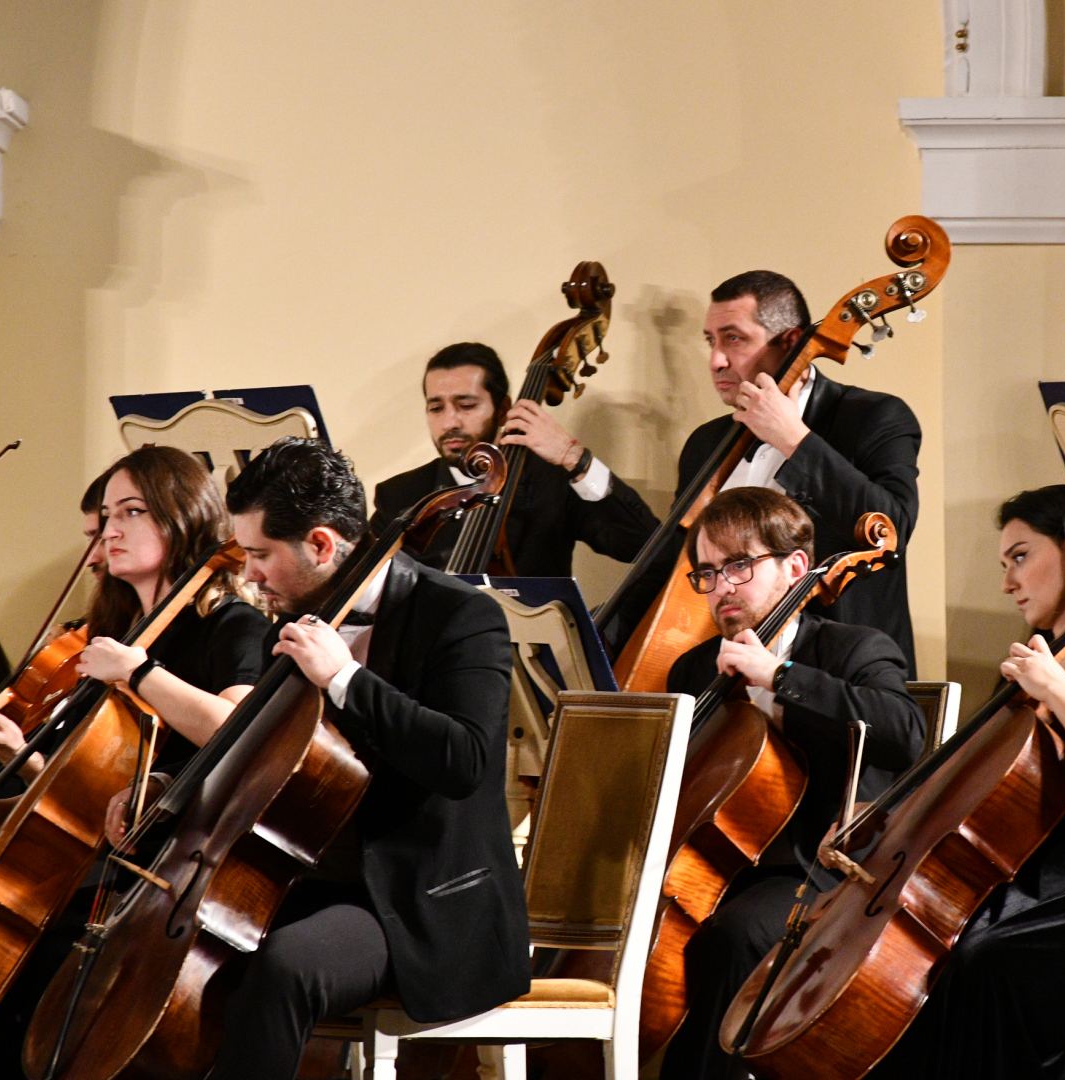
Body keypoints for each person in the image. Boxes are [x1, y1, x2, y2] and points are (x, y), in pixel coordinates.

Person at [199, 436, 527, 1080]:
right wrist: (159, 793)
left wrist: (346, 678)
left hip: (420, 901)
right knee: (188, 951)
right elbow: (256, 755)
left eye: (262, 555)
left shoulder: (461, 616)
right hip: (315, 878)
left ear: (322, 544)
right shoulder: (293, 625)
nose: (252, 575)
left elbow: (464, 760)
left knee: (288, 964)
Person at [869, 485, 1065, 1079]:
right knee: (923, 955)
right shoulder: (1037, 668)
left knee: (985, 957)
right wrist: (875, 828)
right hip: (1038, 880)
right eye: (1003, 564)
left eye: (1020, 556)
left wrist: (1059, 691)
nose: (1007, 581)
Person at [0, 445, 268, 1075]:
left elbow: (237, 727)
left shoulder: (229, 623)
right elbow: (88, 787)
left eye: (132, 511)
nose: (110, 529)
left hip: (162, 878)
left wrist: (142, 673)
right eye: (108, 514)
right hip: (93, 856)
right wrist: (19, 762)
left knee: (37, 977)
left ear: (182, 516)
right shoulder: (116, 629)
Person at [660, 486, 923, 1079]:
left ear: (796, 567)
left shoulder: (852, 648)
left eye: (738, 566)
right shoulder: (695, 668)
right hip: (709, 869)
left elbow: (906, 732)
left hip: (816, 873)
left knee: (731, 938)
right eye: (707, 573)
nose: (721, 587)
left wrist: (780, 676)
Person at [573, 271, 923, 673]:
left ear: (790, 342)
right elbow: (675, 564)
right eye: (711, 340)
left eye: (733, 338)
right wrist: (594, 632)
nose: (716, 360)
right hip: (724, 672)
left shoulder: (873, 418)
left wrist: (795, 439)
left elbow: (892, 530)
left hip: (839, 671)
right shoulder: (706, 443)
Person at [369, 340, 658, 574]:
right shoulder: (399, 497)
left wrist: (575, 459)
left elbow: (645, 546)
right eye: (436, 408)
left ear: (504, 408)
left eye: (466, 405)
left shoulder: (551, 482)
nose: (449, 423)